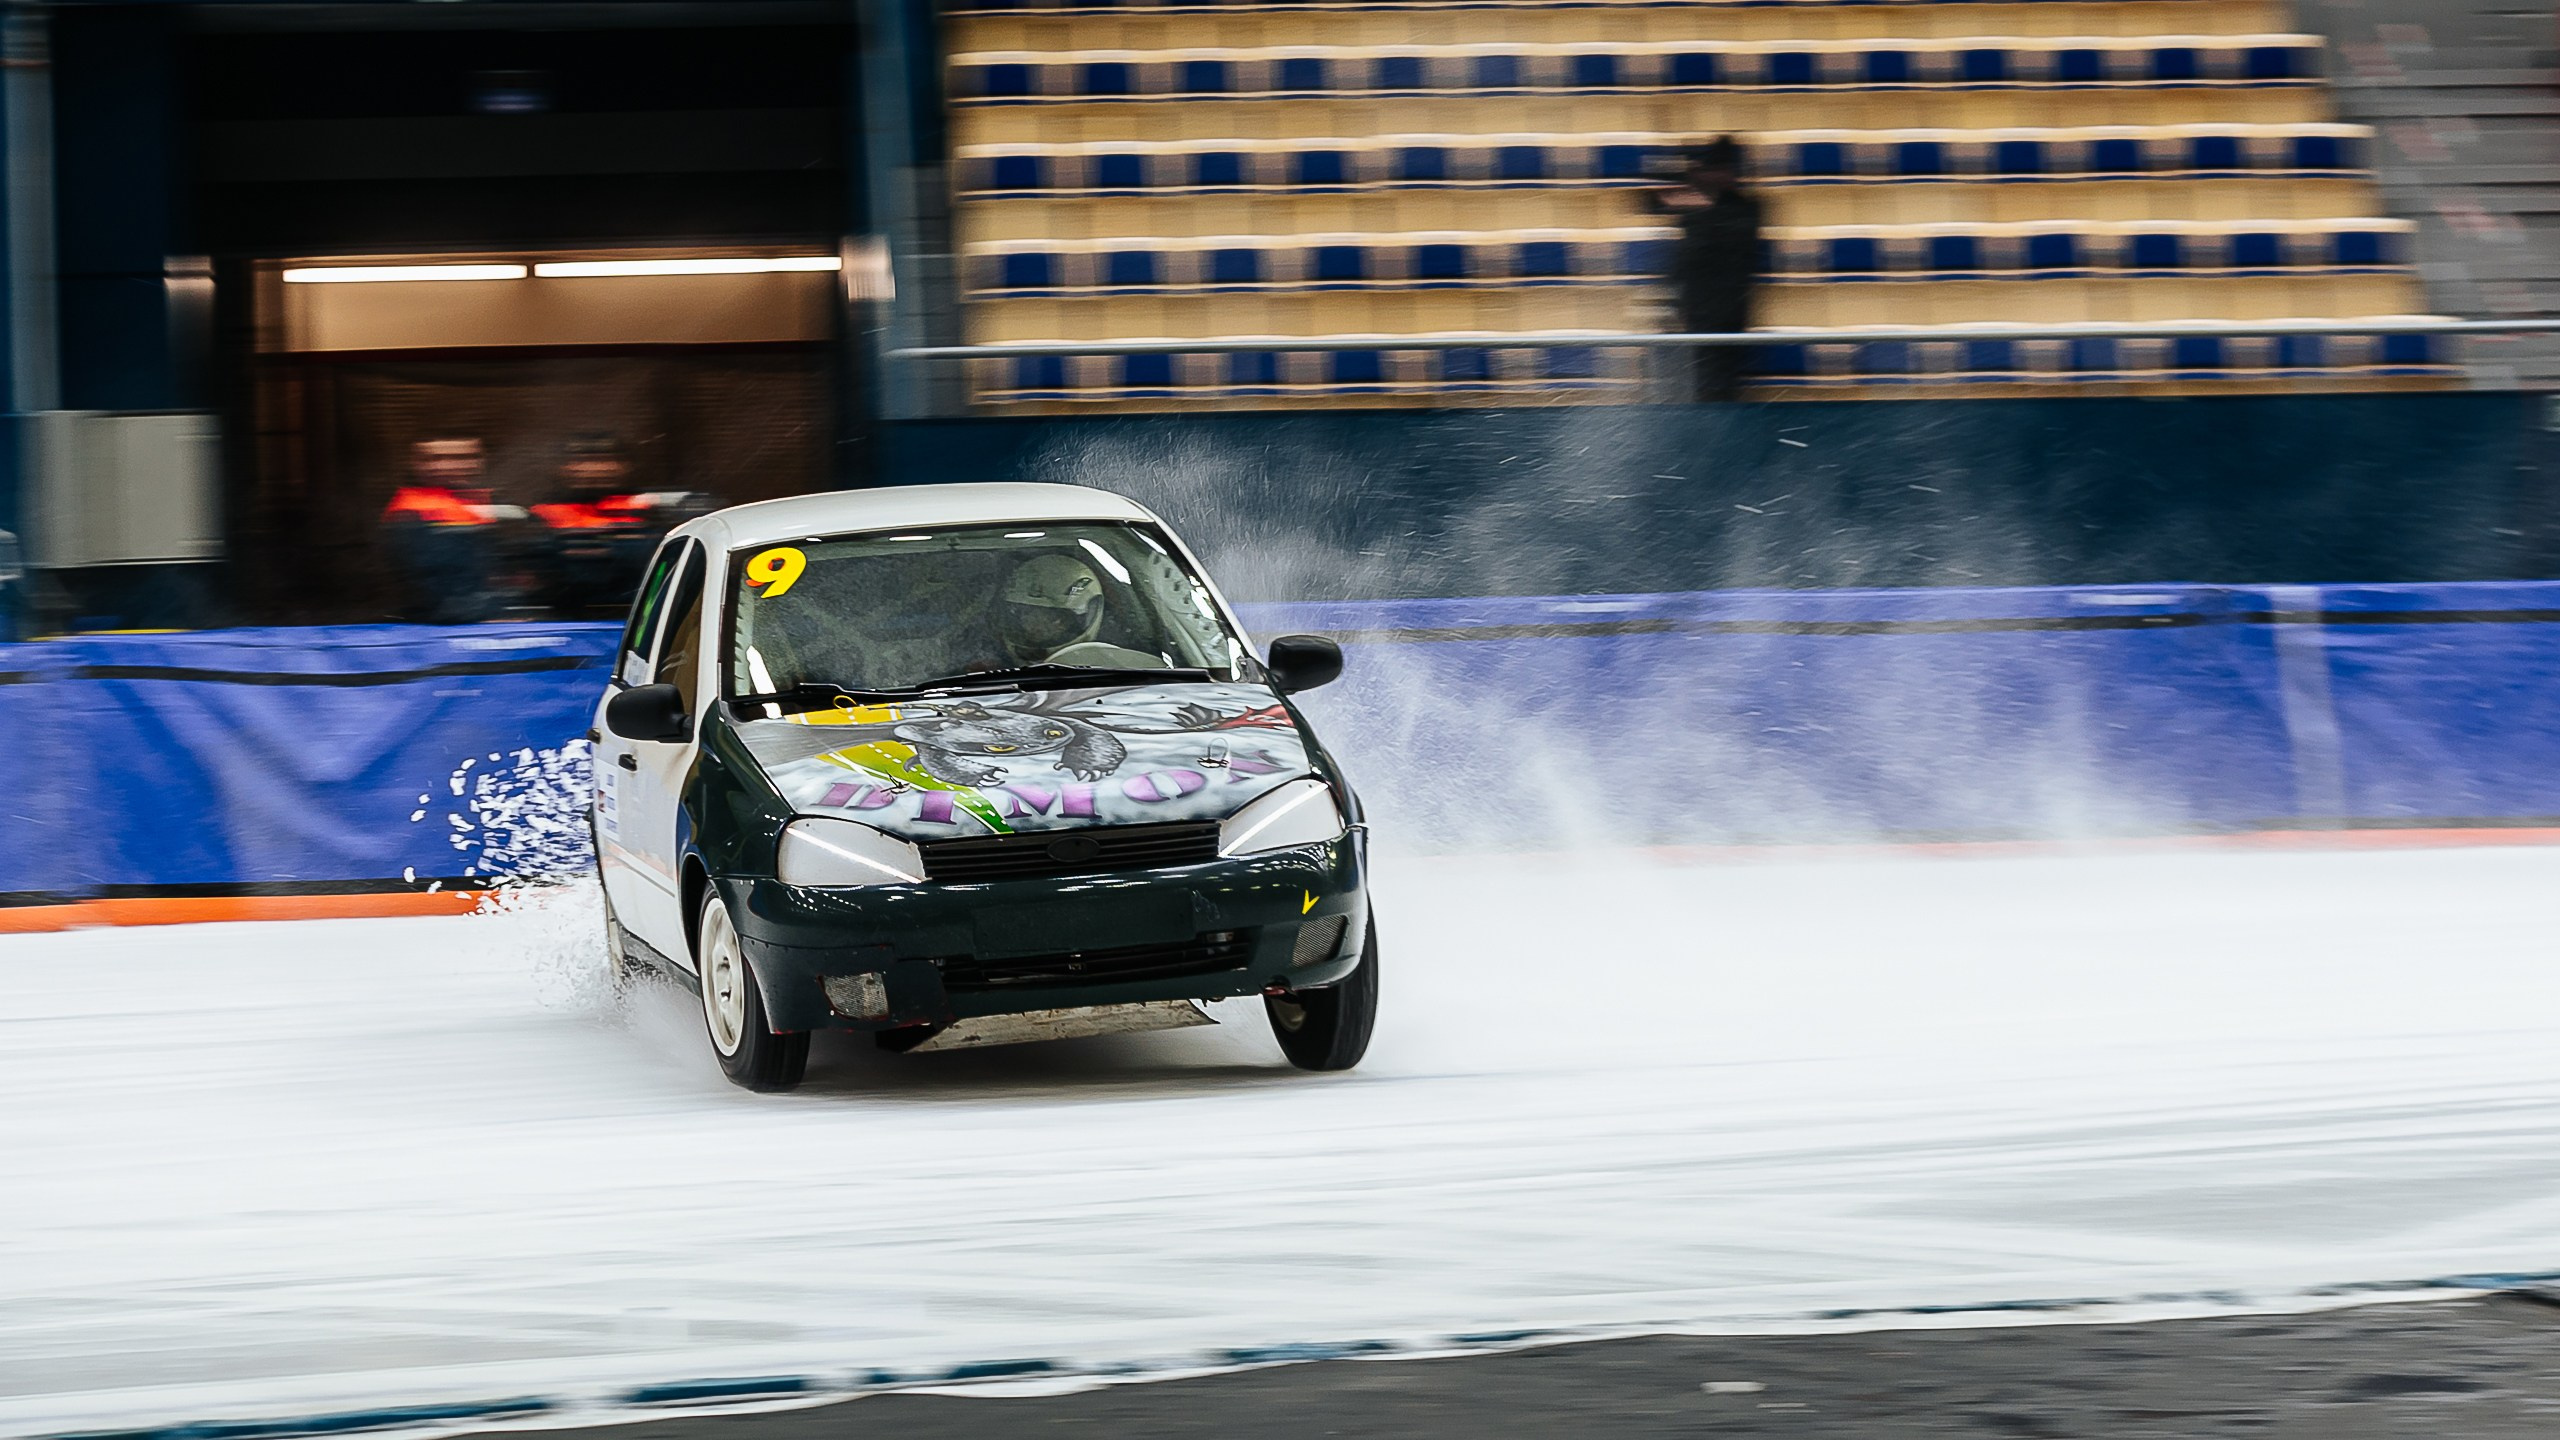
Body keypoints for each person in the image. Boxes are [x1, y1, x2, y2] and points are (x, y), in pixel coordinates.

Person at [1643, 136, 1765, 402]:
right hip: (1699, 314)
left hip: (1722, 317)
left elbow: (1703, 239)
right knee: (1694, 388)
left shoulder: (1742, 210)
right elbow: (1650, 203)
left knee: (1715, 389)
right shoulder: (1707, 209)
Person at [380, 437, 503, 623]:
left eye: (464, 457)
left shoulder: (483, 500)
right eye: (435, 458)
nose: (449, 465)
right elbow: (427, 581)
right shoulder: (410, 506)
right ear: (416, 463)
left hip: (480, 615)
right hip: (438, 623)